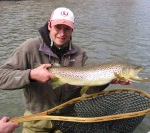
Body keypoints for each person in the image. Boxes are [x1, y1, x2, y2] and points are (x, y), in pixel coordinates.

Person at [0, 7, 130, 133]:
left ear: (72, 30)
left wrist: (107, 79)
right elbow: (2, 77)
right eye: (58, 27)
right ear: (49, 25)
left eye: (67, 29)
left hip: (68, 121)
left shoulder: (80, 54)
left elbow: (89, 90)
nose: (62, 34)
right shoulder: (29, 48)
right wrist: (31, 75)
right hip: (36, 121)